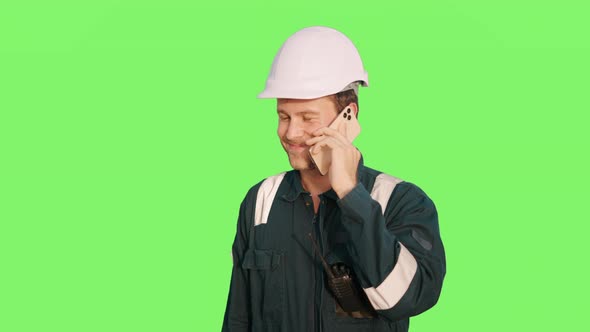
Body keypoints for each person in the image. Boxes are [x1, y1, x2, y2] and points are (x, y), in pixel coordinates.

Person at [222, 26, 446, 332]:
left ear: (348, 116)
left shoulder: (400, 202)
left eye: (307, 118)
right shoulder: (261, 201)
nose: (290, 133)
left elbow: (407, 300)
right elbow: (239, 319)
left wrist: (351, 195)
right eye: (283, 116)